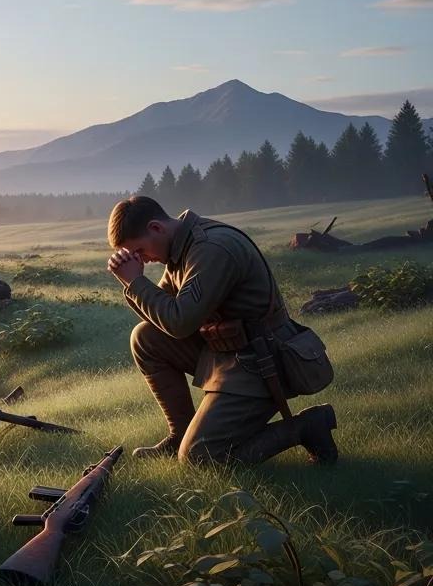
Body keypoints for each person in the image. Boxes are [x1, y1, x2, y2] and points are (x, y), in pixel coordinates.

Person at [105, 196, 338, 465]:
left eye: (140, 251)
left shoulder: (211, 249)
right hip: (227, 352)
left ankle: (306, 426)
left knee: (199, 458)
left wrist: (135, 281)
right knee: (145, 338)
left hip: (261, 360)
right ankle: (180, 434)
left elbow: (179, 322)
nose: (144, 260)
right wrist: (133, 283)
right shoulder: (181, 248)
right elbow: (163, 316)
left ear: (156, 228)